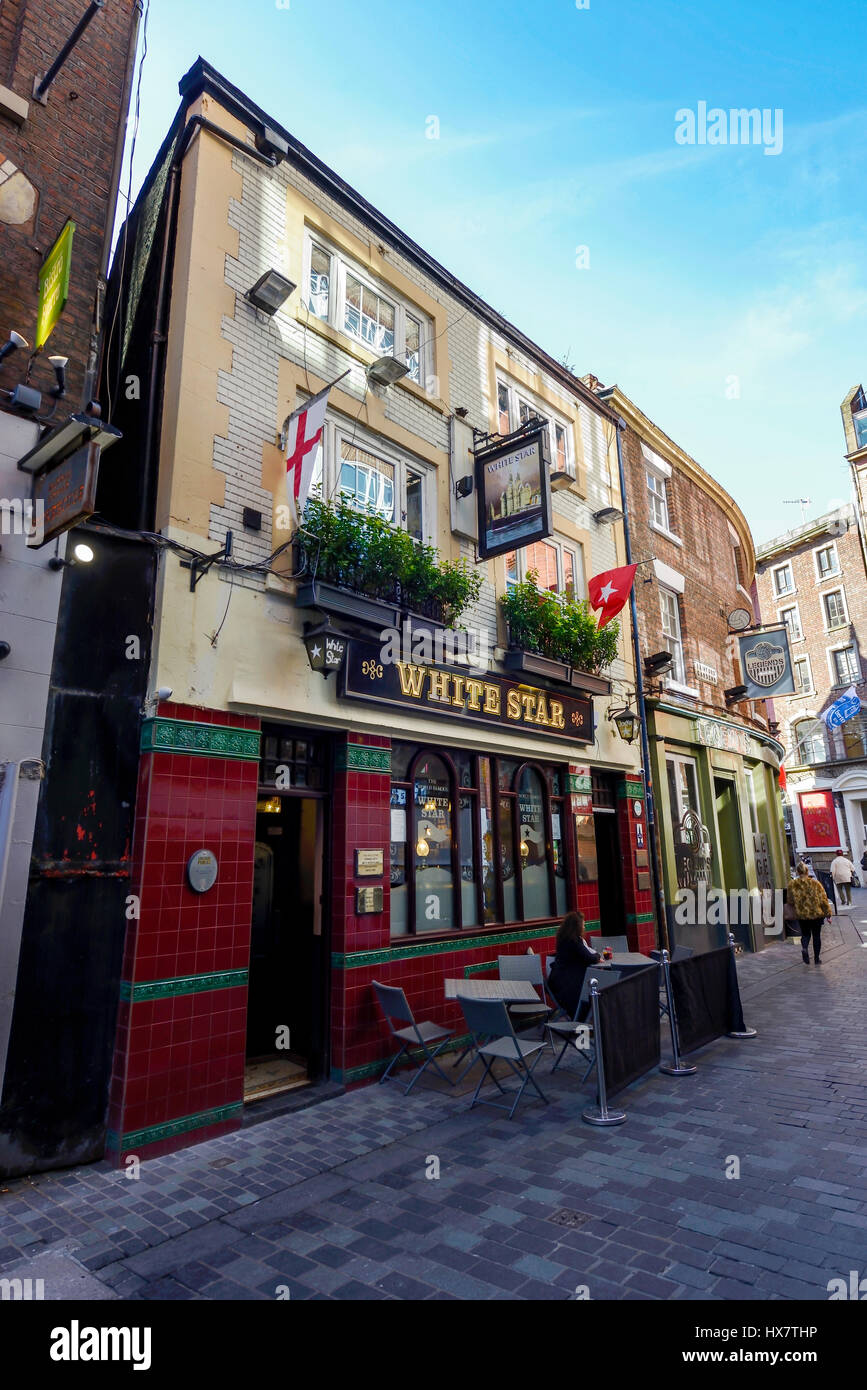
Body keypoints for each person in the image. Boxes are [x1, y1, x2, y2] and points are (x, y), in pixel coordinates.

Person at [548, 910, 602, 1020]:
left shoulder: (563, 939)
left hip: (558, 982)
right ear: (577, 927)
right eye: (583, 924)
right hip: (569, 987)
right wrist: (598, 956)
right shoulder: (574, 942)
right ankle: (585, 1024)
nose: (584, 927)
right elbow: (589, 957)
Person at [787, 861, 832, 965]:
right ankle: (817, 958)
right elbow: (823, 899)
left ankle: (804, 948)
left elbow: (790, 900)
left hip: (802, 914)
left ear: (797, 871)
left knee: (805, 934)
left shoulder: (792, 884)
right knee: (816, 936)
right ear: (807, 871)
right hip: (816, 914)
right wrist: (828, 913)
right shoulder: (815, 883)